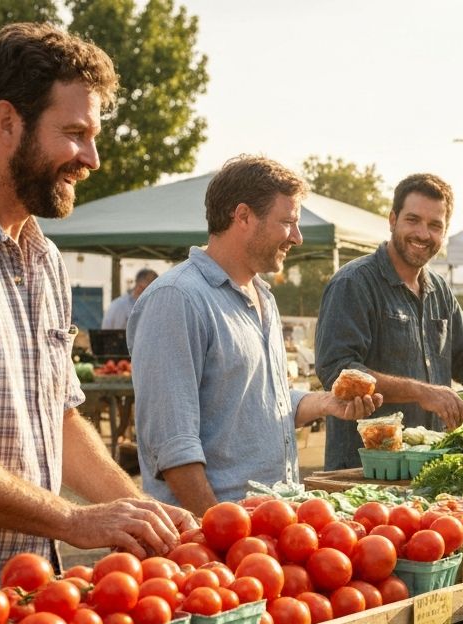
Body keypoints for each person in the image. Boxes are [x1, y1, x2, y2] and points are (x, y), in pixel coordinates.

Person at [0, 22, 195, 624]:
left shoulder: (43, 259)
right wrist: (72, 519)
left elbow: (59, 418)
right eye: (74, 133)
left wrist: (138, 509)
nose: (91, 157)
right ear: (5, 122)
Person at [129, 156, 382, 514]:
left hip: (270, 524)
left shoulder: (263, 296)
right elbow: (173, 445)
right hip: (216, 531)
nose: (297, 237)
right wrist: (218, 531)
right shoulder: (177, 298)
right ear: (244, 216)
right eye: (288, 223)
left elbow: (263, 403)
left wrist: (325, 403)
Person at [314, 172, 463, 470]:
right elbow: (337, 369)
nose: (423, 234)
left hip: (429, 466)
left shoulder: (439, 289)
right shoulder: (353, 283)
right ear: (392, 220)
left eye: (435, 225)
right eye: (413, 220)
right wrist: (421, 392)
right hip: (364, 471)